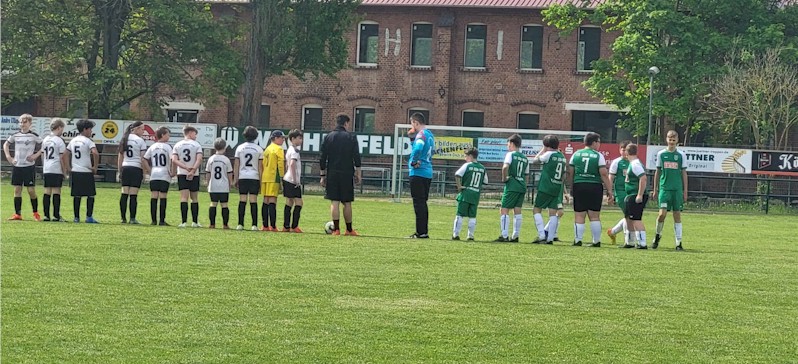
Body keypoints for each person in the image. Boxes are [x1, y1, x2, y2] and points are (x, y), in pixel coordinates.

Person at [567, 132, 613, 247]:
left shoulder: (576, 154)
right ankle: (596, 241)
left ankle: (578, 240)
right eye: (599, 142)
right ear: (594, 143)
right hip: (594, 186)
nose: (599, 145)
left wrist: (571, 186)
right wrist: (610, 190)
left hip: (579, 185)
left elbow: (570, 172)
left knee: (579, 215)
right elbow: (603, 174)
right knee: (594, 216)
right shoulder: (598, 156)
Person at [319, 113, 362, 236]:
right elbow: (356, 157)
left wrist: (322, 176)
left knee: (335, 202)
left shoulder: (328, 137)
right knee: (347, 202)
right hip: (347, 173)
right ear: (346, 123)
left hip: (332, 173)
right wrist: (358, 173)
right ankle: (349, 230)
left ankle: (336, 229)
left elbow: (322, 158)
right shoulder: (351, 137)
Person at [652, 130, 688, 250]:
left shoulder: (681, 155)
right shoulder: (661, 154)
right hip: (664, 188)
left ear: (677, 140)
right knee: (662, 214)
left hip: (677, 189)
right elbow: (658, 171)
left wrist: (685, 190)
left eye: (674, 140)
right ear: (666, 139)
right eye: (669, 139)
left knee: (677, 215)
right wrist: (655, 189)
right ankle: (657, 235)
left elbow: (684, 173)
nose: (671, 142)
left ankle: (678, 243)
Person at [3, 114, 43, 221]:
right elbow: (6, 145)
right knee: (17, 190)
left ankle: (35, 212)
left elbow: (44, 145)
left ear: (30, 123)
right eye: (21, 122)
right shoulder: (15, 135)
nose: (22, 124)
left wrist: (35, 155)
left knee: (31, 191)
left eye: (25, 122)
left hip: (28, 167)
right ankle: (17, 214)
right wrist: (9, 157)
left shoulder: (33, 135)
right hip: (17, 166)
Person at [530, 135, 567, 244]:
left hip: (545, 186)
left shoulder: (548, 154)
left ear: (547, 145)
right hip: (557, 187)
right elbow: (564, 175)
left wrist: (543, 149)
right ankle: (550, 238)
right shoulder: (562, 157)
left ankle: (541, 235)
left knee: (536, 209)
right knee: (552, 212)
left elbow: (534, 161)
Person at [65, 119, 100, 223]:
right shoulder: (88, 141)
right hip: (86, 172)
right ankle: (89, 217)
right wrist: (95, 167)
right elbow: (96, 153)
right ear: (85, 129)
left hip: (75, 171)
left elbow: (65, 154)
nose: (91, 132)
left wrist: (68, 167)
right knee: (90, 195)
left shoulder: (73, 140)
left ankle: (76, 217)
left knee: (77, 195)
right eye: (90, 129)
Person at [496, 134, 528, 242]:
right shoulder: (525, 158)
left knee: (504, 209)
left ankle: (504, 235)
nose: (507, 146)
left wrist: (504, 178)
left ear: (512, 144)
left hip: (512, 184)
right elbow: (526, 174)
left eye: (508, 144)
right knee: (517, 210)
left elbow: (505, 167)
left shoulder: (510, 155)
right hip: (522, 185)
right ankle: (515, 236)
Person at [407, 112, 435, 239]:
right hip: (427, 172)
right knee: (423, 203)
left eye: (412, 123)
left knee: (418, 203)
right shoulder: (430, 135)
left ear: (415, 123)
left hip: (418, 172)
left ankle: (421, 232)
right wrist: (411, 138)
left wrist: (413, 162)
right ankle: (423, 231)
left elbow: (418, 148)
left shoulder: (421, 135)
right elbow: (430, 151)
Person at [171, 125, 204, 228]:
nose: (196, 136)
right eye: (195, 133)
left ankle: (184, 222)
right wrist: (193, 170)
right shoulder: (196, 145)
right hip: (194, 174)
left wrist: (185, 167)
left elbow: (174, 160)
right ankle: (195, 222)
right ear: (189, 133)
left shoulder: (177, 145)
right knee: (194, 198)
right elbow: (199, 159)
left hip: (182, 173)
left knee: (183, 197)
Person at [452, 148, 487, 241]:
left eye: (466, 156)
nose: (465, 158)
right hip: (475, 195)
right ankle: (470, 236)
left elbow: (457, 174)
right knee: (472, 216)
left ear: (471, 156)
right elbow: (485, 181)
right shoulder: (482, 168)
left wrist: (459, 186)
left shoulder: (467, 165)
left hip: (466, 193)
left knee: (459, 214)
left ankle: (456, 235)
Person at [117, 121, 148, 224]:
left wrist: (119, 169)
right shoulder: (140, 141)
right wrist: (144, 172)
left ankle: (123, 218)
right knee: (133, 195)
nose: (143, 131)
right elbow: (142, 158)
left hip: (125, 167)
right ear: (135, 129)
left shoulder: (124, 139)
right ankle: (132, 218)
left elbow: (120, 156)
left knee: (124, 193)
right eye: (142, 129)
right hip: (136, 168)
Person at [233, 126, 263, 231]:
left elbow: (236, 165)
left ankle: (240, 224)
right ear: (255, 136)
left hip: (243, 176)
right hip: (254, 177)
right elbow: (260, 167)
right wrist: (261, 181)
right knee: (253, 200)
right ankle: (254, 225)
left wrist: (235, 178)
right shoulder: (259, 149)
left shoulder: (240, 148)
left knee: (242, 200)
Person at [143, 127, 173, 226]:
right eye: (168, 135)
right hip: (164, 173)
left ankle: (153, 220)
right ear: (163, 135)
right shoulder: (168, 147)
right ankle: (162, 220)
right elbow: (173, 159)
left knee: (154, 196)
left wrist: (149, 170)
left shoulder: (152, 146)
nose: (169, 137)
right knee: (163, 196)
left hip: (154, 173)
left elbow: (144, 159)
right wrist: (173, 171)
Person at [40, 118, 68, 222]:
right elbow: (61, 157)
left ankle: (46, 215)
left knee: (47, 191)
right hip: (56, 168)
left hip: (47, 168)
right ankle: (56, 215)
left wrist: (44, 166)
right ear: (59, 127)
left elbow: (42, 154)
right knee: (57, 190)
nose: (62, 131)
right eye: (62, 129)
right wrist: (64, 172)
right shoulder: (59, 140)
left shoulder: (46, 139)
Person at [621, 143, 649, 249]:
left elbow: (643, 178)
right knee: (628, 218)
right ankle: (630, 242)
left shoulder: (635, 164)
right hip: (630, 195)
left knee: (636, 218)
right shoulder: (633, 163)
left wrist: (639, 195)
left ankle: (642, 243)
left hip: (635, 194)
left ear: (627, 153)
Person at [606, 140, 631, 244]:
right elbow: (610, 178)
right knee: (628, 215)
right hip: (620, 192)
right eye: (623, 149)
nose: (625, 152)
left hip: (631, 192)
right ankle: (627, 241)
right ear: (619, 150)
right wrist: (609, 193)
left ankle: (612, 232)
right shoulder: (617, 162)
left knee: (630, 216)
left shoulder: (633, 161)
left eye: (627, 150)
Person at [261, 130, 285, 231]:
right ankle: (273, 226)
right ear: (275, 138)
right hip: (273, 176)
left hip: (265, 177)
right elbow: (280, 164)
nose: (283, 140)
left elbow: (262, 163)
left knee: (265, 200)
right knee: (272, 200)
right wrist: (282, 177)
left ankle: (265, 225)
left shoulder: (267, 149)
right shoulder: (278, 149)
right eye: (281, 138)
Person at [206, 138, 233, 229]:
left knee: (213, 204)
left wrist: (207, 183)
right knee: (224, 204)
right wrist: (230, 183)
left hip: (213, 185)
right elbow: (229, 173)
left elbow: (208, 173)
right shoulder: (226, 160)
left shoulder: (211, 159)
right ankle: (225, 225)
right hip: (223, 186)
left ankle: (212, 224)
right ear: (225, 147)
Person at [282, 129, 304, 233]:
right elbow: (291, 164)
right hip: (292, 180)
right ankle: (294, 226)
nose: (301, 140)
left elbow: (287, 164)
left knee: (289, 202)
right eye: (299, 138)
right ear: (292, 139)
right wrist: (295, 180)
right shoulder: (294, 151)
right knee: (299, 203)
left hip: (287, 179)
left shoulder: (289, 150)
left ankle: (286, 226)